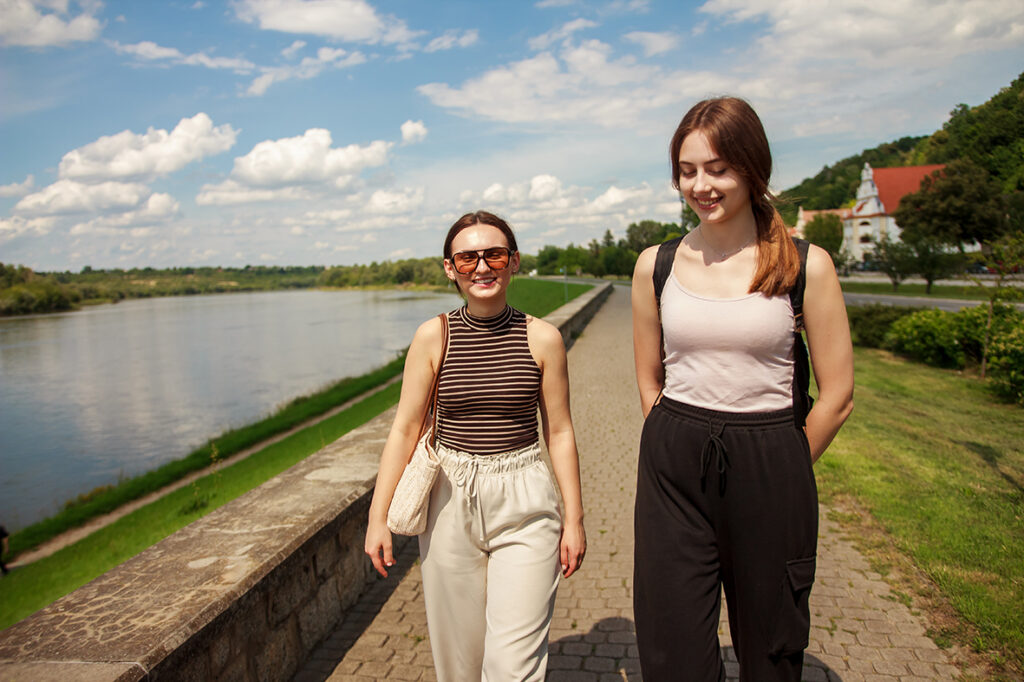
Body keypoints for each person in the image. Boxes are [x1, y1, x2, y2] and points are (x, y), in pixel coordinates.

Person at [630, 97, 854, 681]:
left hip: (772, 458)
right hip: (673, 466)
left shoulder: (807, 265)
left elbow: (838, 394)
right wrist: (668, 437)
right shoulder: (656, 264)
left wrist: (782, 463)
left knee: (771, 645)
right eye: (687, 170)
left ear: (753, 169)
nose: (701, 184)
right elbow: (649, 375)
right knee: (671, 644)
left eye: (717, 168)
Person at [365, 210, 586, 682]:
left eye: (494, 255)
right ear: (450, 268)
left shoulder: (542, 338)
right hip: (449, 497)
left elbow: (560, 432)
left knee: (512, 667)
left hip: (524, 496)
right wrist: (377, 518)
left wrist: (575, 520)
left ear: (514, 262)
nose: (482, 267)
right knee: (459, 662)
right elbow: (404, 429)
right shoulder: (433, 336)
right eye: (467, 259)